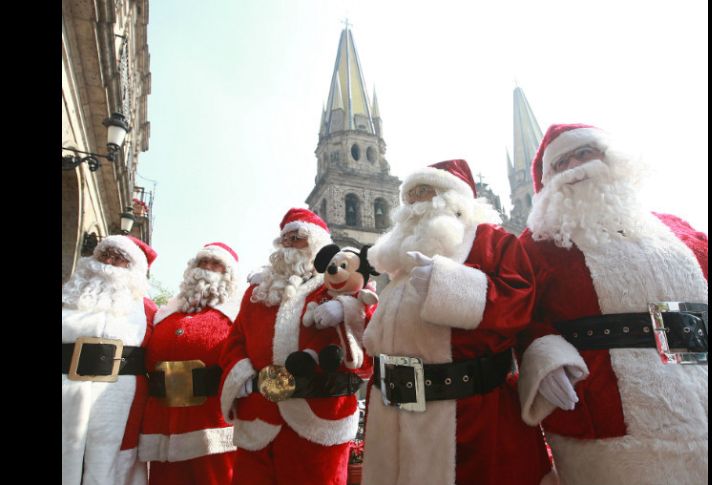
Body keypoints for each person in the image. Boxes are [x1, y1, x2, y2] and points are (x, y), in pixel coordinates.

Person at [516, 123, 708, 485]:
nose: (575, 166)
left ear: (612, 158)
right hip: (609, 414)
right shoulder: (536, 243)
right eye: (562, 163)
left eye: (584, 153)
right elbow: (520, 314)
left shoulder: (676, 229)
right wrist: (545, 358)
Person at [361, 160, 552, 485]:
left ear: (453, 199)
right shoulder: (400, 259)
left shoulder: (491, 240)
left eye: (426, 192)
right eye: (411, 195)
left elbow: (518, 300)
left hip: (468, 414)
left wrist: (446, 283)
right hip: (393, 415)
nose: (416, 202)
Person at [219, 208, 374, 485]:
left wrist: (347, 309)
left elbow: (371, 338)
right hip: (258, 418)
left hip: (320, 419)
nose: (289, 243)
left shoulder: (341, 283)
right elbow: (235, 339)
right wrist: (239, 373)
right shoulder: (257, 292)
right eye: (285, 238)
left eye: (298, 237)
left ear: (317, 243)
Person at [139, 242, 242, 484]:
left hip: (211, 419)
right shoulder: (165, 311)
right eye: (202, 262)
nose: (207, 268)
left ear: (228, 275)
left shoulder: (236, 312)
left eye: (216, 264)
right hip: (164, 417)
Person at [62, 235, 158, 485]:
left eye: (120, 258)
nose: (109, 262)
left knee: (112, 467)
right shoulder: (68, 296)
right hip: (65, 390)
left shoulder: (148, 310)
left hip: (119, 399)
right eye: (105, 254)